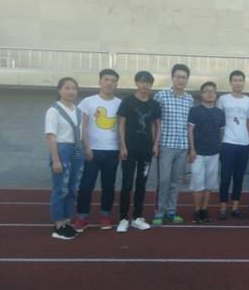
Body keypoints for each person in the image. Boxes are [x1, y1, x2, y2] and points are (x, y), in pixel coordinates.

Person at [75, 68, 121, 232]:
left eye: (113, 81)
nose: (109, 83)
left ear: (116, 84)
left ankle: (105, 215)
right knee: (86, 185)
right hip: (92, 151)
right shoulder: (88, 101)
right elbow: (83, 127)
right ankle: (82, 217)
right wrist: (86, 147)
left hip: (112, 151)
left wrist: (122, 148)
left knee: (108, 186)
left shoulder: (120, 103)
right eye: (106, 79)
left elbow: (121, 127)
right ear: (100, 81)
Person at [116, 71, 161, 233]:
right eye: (142, 81)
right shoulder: (127, 101)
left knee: (141, 183)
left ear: (151, 85)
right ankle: (123, 218)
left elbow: (157, 125)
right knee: (127, 183)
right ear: (136, 83)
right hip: (129, 149)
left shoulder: (154, 104)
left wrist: (155, 145)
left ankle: (137, 217)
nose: (145, 85)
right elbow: (121, 124)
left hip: (146, 149)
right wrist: (123, 146)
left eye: (148, 82)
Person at [153, 64, 194, 225]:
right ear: (172, 78)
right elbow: (155, 122)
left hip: (182, 146)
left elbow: (189, 125)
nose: (180, 80)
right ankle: (159, 213)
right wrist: (155, 143)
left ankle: (171, 212)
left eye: (183, 77)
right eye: (177, 76)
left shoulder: (189, 99)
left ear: (187, 80)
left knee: (176, 181)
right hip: (165, 145)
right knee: (164, 180)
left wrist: (190, 147)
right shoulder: (161, 96)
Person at [45, 77, 84, 240]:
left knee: (73, 189)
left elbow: (81, 133)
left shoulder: (78, 111)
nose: (71, 91)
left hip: (77, 150)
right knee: (61, 189)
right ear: (59, 90)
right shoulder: (53, 110)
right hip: (62, 150)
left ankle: (67, 221)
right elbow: (51, 136)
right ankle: (58, 225)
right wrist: (56, 159)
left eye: (74, 88)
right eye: (67, 88)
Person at [217, 70, 249, 220]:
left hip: (244, 144)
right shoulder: (223, 99)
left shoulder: (248, 100)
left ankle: (235, 207)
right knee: (225, 178)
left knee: (239, 178)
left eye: (240, 80)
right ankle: (222, 208)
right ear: (230, 82)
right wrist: (220, 142)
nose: (238, 83)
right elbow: (219, 122)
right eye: (235, 80)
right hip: (228, 143)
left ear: (243, 82)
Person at [188, 81, 226, 224]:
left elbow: (221, 133)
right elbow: (190, 131)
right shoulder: (195, 110)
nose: (210, 94)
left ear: (216, 94)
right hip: (198, 154)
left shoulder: (220, 113)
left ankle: (204, 210)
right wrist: (192, 150)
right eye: (206, 91)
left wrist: (219, 148)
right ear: (202, 94)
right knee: (198, 183)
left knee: (209, 184)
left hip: (214, 153)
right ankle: (197, 211)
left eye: (212, 91)